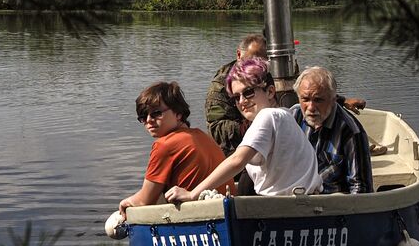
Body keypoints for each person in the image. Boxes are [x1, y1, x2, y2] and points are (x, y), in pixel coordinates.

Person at [165, 57, 322, 201]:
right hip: (302, 202)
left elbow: (237, 161)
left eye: (248, 92)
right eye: (236, 97)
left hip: (285, 209)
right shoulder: (285, 115)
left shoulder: (268, 116)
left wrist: (192, 194)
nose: (242, 101)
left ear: (270, 91)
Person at [118, 81, 233, 216]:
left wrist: (126, 202)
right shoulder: (203, 136)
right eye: (143, 116)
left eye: (156, 113)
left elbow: (145, 200)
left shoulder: (164, 145)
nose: (149, 120)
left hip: (197, 215)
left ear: (178, 113)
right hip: (225, 211)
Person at [292, 66, 373, 194]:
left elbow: (360, 189)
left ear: (333, 100)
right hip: (294, 200)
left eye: (318, 100)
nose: (311, 107)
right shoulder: (292, 118)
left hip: (332, 206)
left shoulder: (351, 132)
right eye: (305, 99)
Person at [204, 33, 267, 154]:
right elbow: (216, 129)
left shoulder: (268, 74)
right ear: (239, 54)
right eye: (253, 59)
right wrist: (253, 126)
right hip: (235, 150)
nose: (257, 65)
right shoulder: (221, 84)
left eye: (263, 60)